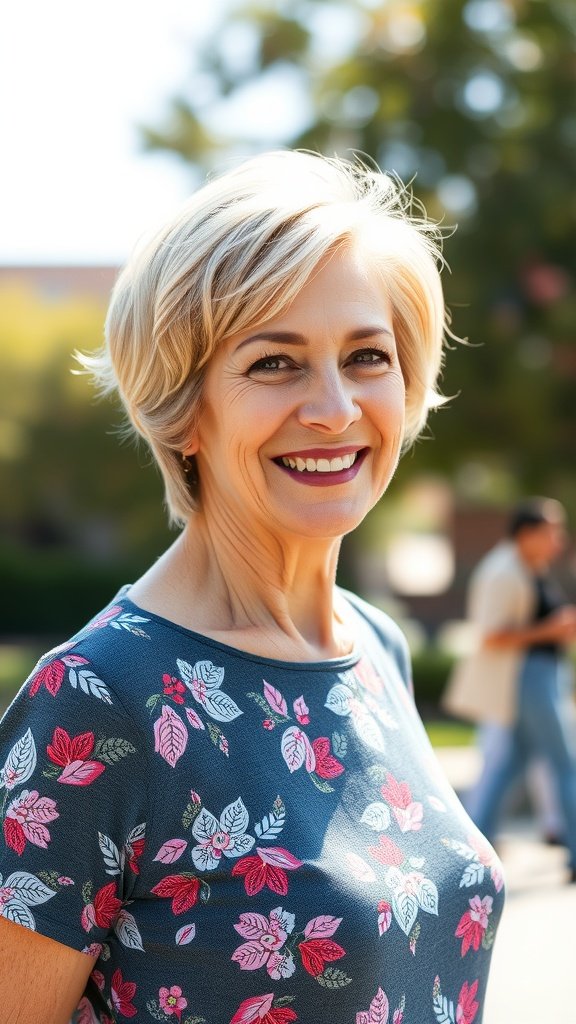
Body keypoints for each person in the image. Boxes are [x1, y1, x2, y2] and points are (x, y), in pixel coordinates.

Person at [0, 151, 504, 1023]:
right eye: (275, 363)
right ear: (183, 409)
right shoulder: (96, 703)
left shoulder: (375, 648)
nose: (336, 407)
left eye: (367, 355)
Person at [443, 497, 576, 874]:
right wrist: (550, 630)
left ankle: (471, 849)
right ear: (528, 533)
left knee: (511, 766)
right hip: (527, 677)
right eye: (552, 531)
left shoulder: (527, 566)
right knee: (565, 762)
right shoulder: (503, 572)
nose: (558, 540)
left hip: (537, 674)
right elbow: (490, 636)